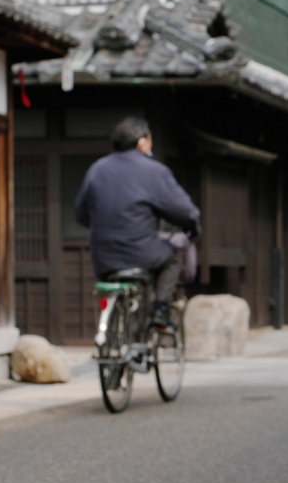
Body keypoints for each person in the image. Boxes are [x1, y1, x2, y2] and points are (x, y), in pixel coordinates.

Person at [74, 116, 200, 326]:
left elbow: (80, 213)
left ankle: (113, 335)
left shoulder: (97, 169)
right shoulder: (153, 170)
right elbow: (183, 211)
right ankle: (160, 309)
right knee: (174, 257)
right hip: (141, 253)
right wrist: (192, 227)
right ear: (142, 141)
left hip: (103, 256)